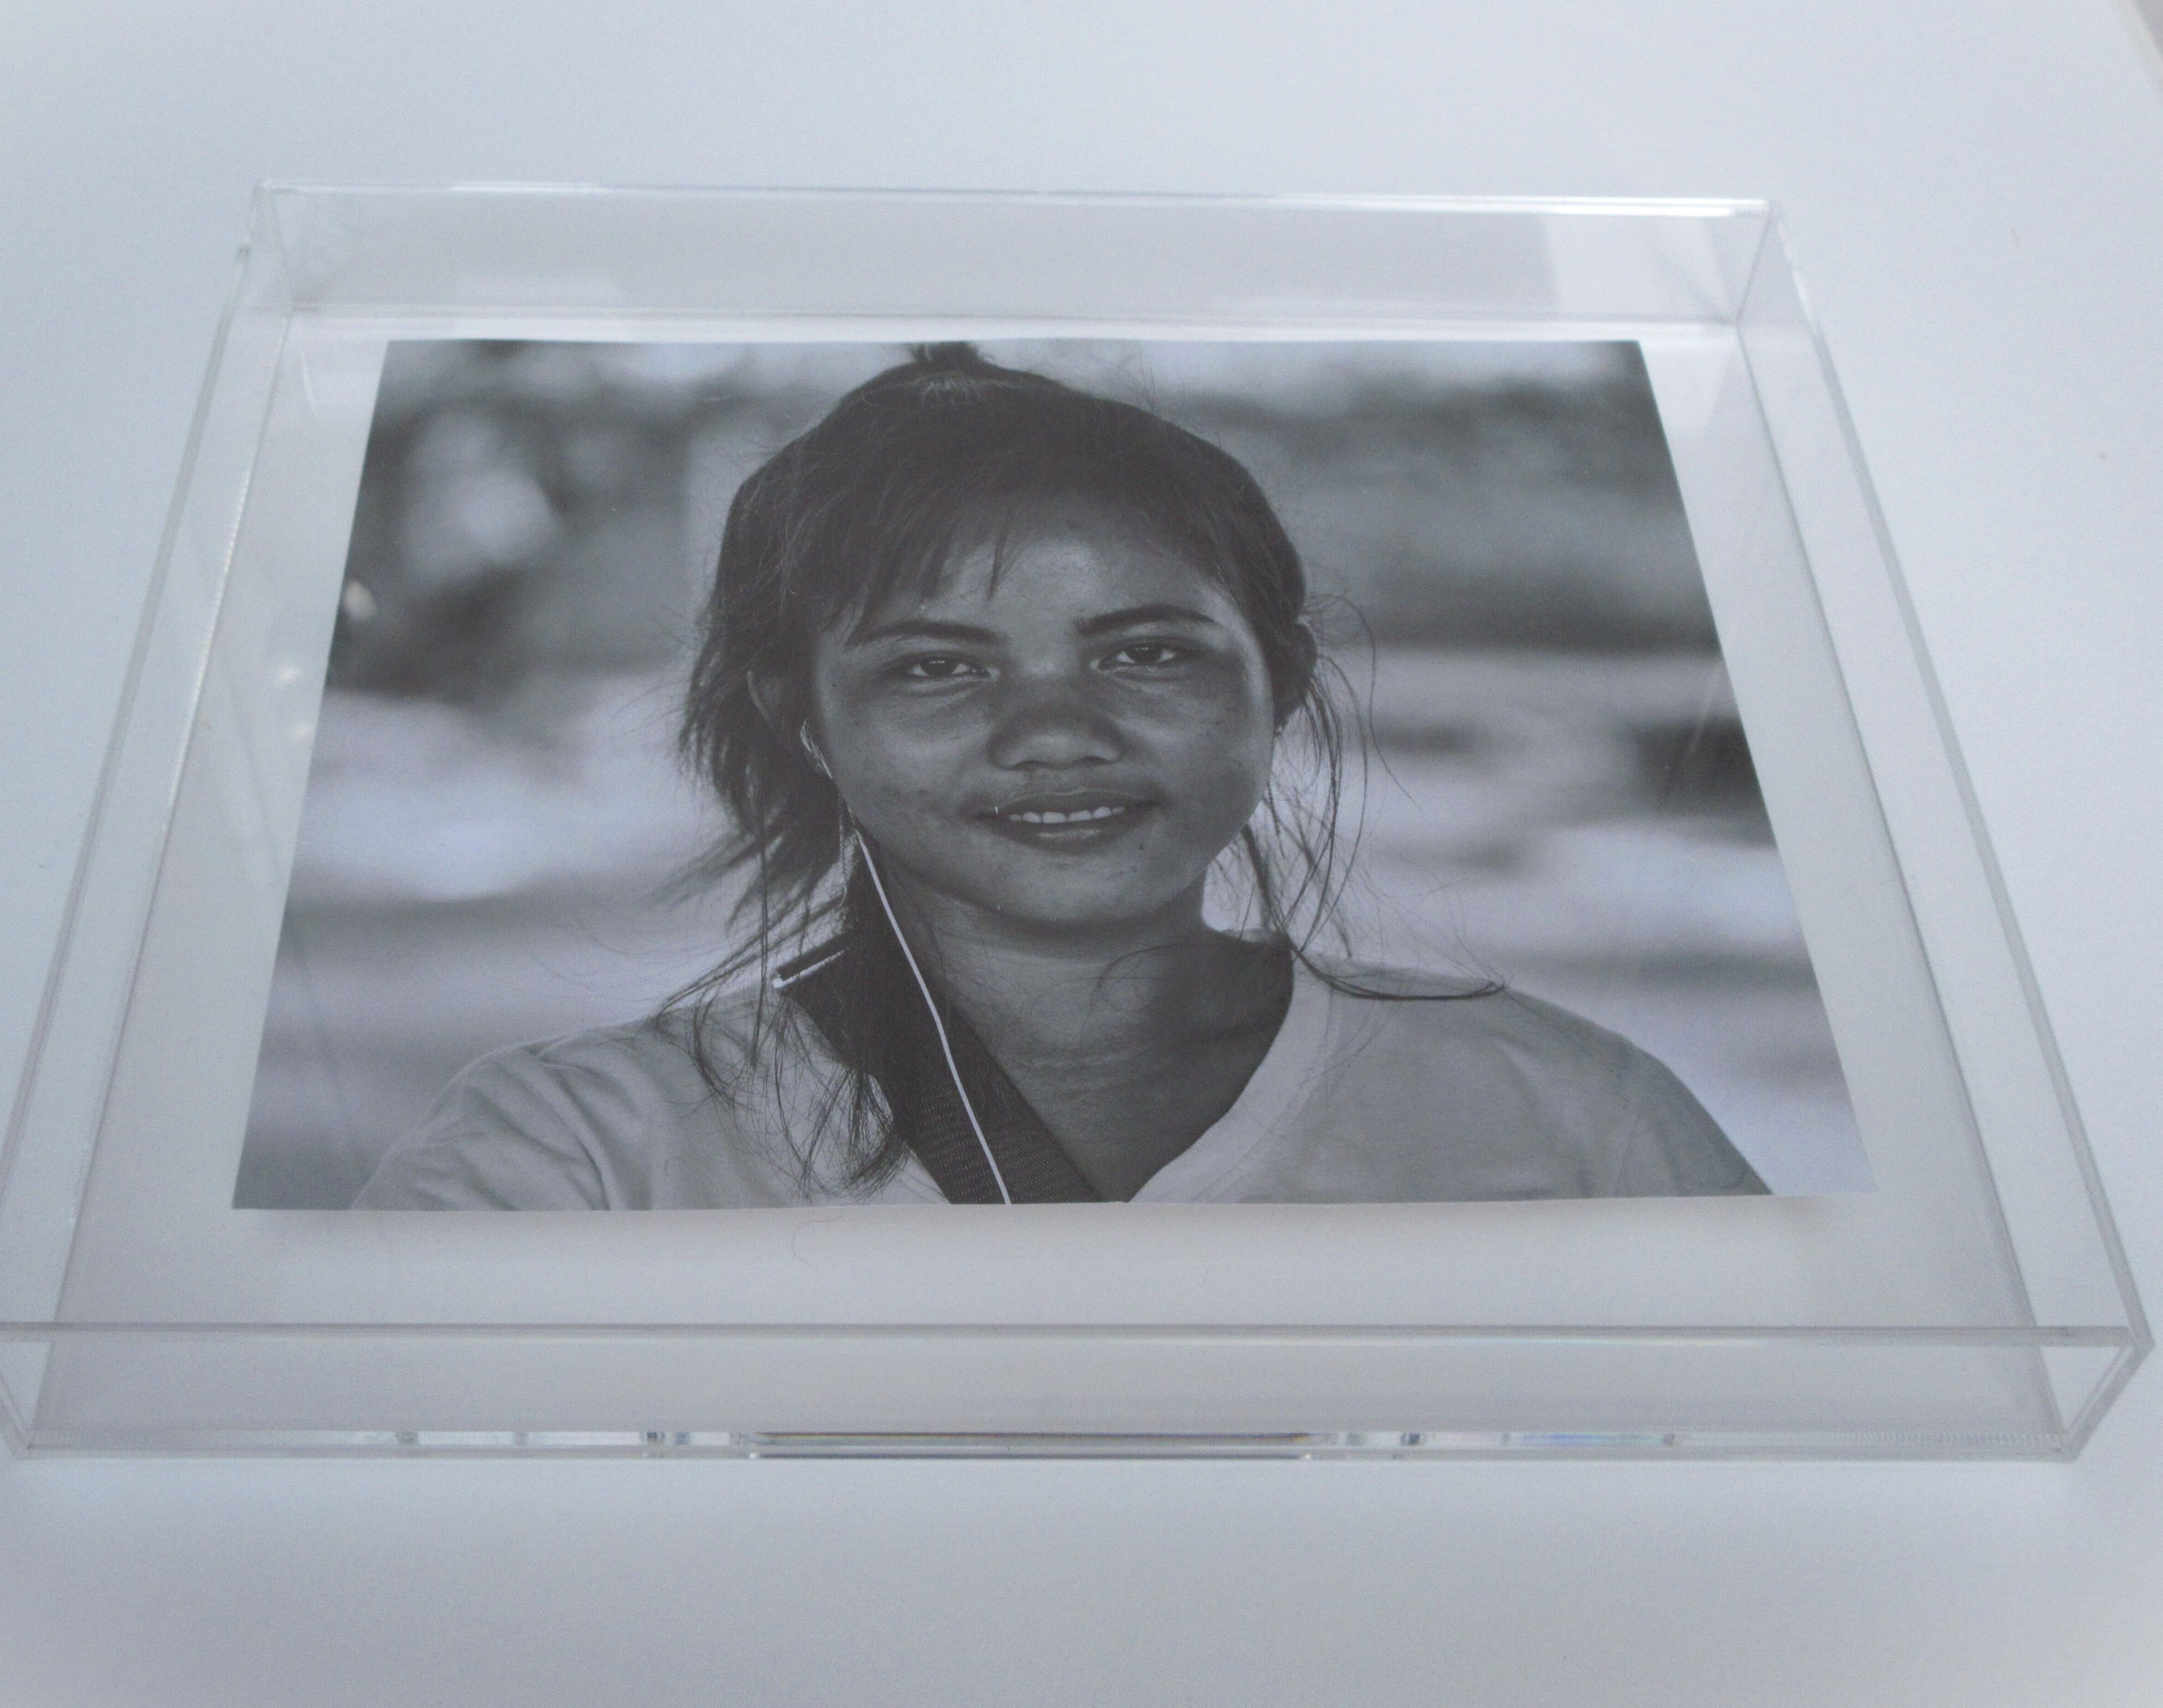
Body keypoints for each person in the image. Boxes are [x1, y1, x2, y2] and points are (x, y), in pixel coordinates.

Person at [355, 345, 1764, 1209]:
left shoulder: (1565, 1118)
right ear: (805, 720)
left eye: (1145, 653)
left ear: (1277, 681)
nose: (1054, 731)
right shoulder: (575, 1160)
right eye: (937, 666)